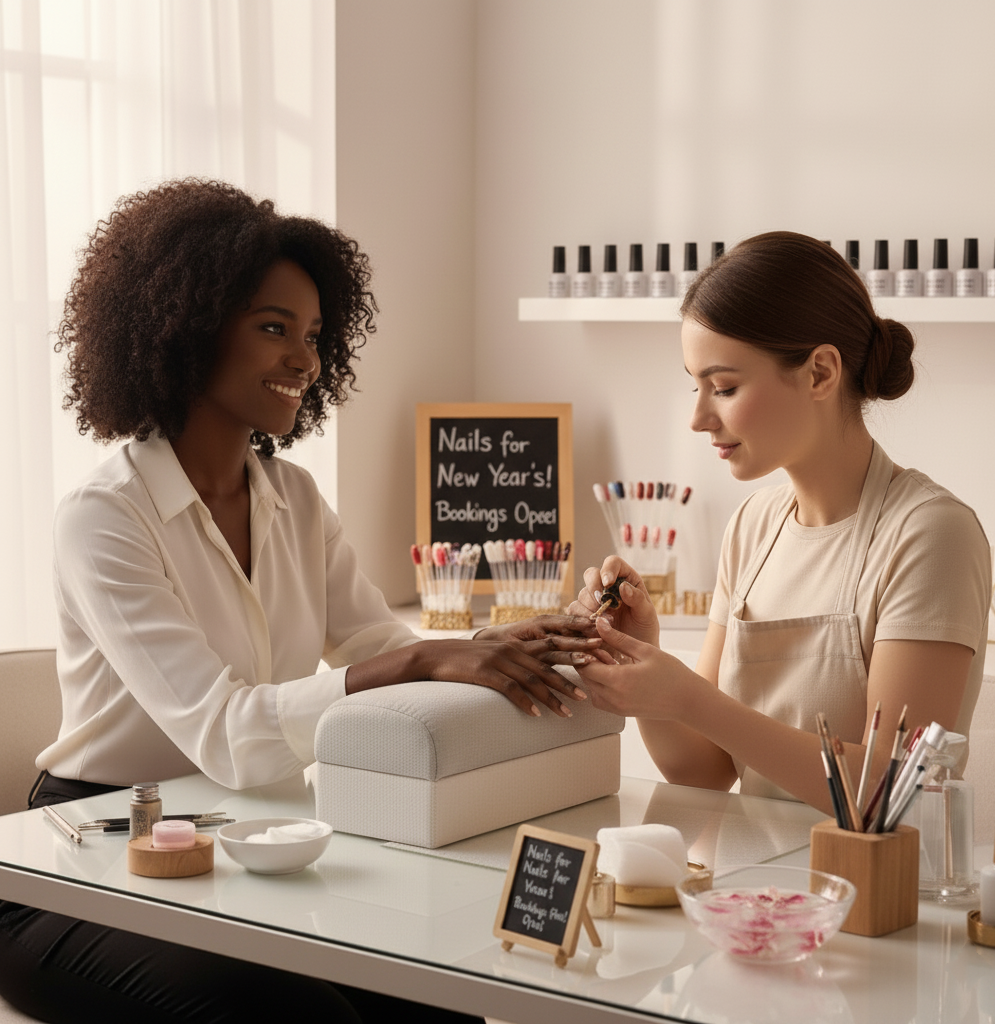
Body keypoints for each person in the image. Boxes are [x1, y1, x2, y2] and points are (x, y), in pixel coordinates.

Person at [0, 178, 602, 1023]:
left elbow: (371, 646)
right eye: (274, 328)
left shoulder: (295, 499)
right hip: (86, 866)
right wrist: (428, 653)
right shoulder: (105, 518)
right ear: (188, 329)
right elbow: (229, 735)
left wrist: (512, 644)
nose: (306, 360)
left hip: (240, 840)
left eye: (315, 336)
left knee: (439, 999)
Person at [570, 231, 990, 813]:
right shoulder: (754, 525)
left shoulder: (930, 534)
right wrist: (641, 656)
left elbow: (888, 792)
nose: (698, 417)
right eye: (695, 387)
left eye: (724, 387)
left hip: (877, 892)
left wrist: (689, 697)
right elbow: (704, 771)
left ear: (820, 373)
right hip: (755, 893)